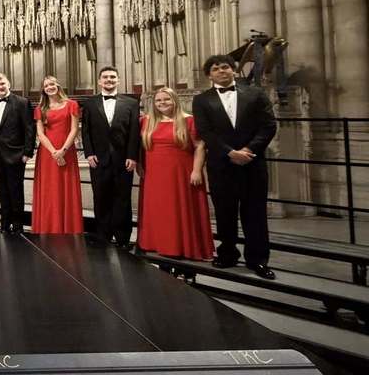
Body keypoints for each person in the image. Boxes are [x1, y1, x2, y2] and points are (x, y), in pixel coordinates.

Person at [193, 54, 277, 278]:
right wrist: (229, 152)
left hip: (252, 162)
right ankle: (228, 253)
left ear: (234, 69)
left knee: (255, 212)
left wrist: (248, 150)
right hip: (221, 164)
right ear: (209, 75)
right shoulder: (201, 100)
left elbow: (268, 126)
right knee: (224, 212)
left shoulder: (255, 94)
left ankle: (258, 260)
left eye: (225, 67)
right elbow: (205, 131)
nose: (221, 71)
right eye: (215, 69)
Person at [138, 87, 213, 260]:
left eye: (166, 99)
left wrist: (197, 170)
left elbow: (200, 146)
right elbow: (141, 147)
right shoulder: (147, 121)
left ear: (175, 100)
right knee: (160, 210)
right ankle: (158, 244)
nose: (162, 103)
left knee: (180, 210)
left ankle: (183, 247)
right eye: (158, 100)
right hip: (154, 174)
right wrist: (140, 165)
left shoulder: (189, 120)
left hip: (181, 173)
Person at [81, 66, 140, 247]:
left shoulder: (131, 103)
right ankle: (103, 235)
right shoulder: (90, 103)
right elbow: (86, 131)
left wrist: (132, 156)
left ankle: (123, 238)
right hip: (98, 159)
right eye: (105, 77)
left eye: (113, 77)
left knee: (123, 198)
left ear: (118, 80)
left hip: (124, 159)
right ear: (99, 81)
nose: (109, 80)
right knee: (100, 197)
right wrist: (89, 153)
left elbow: (134, 132)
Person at [0, 73, 34, 234]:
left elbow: (29, 129)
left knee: (16, 190)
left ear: (9, 84)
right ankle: (5, 223)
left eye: (2, 84)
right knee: (2, 190)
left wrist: (27, 152)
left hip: (16, 155)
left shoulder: (22, 102)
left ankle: (18, 225)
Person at [31, 76, 83, 234]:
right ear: (43, 89)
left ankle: (68, 229)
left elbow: (74, 129)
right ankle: (48, 228)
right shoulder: (40, 109)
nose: (49, 87)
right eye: (46, 85)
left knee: (66, 189)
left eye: (52, 84)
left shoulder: (72, 105)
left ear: (58, 85)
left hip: (67, 151)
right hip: (47, 154)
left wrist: (63, 151)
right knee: (49, 190)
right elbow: (40, 134)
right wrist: (54, 152)